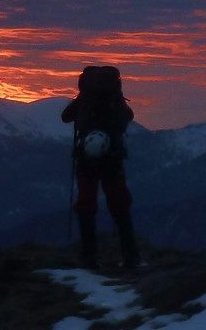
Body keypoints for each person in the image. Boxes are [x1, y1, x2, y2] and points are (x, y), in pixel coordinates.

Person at [61, 65, 140, 270]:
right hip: (113, 160)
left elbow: (65, 117)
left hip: (86, 160)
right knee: (119, 204)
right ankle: (130, 255)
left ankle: (89, 256)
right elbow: (128, 117)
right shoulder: (116, 101)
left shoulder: (84, 100)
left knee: (86, 204)